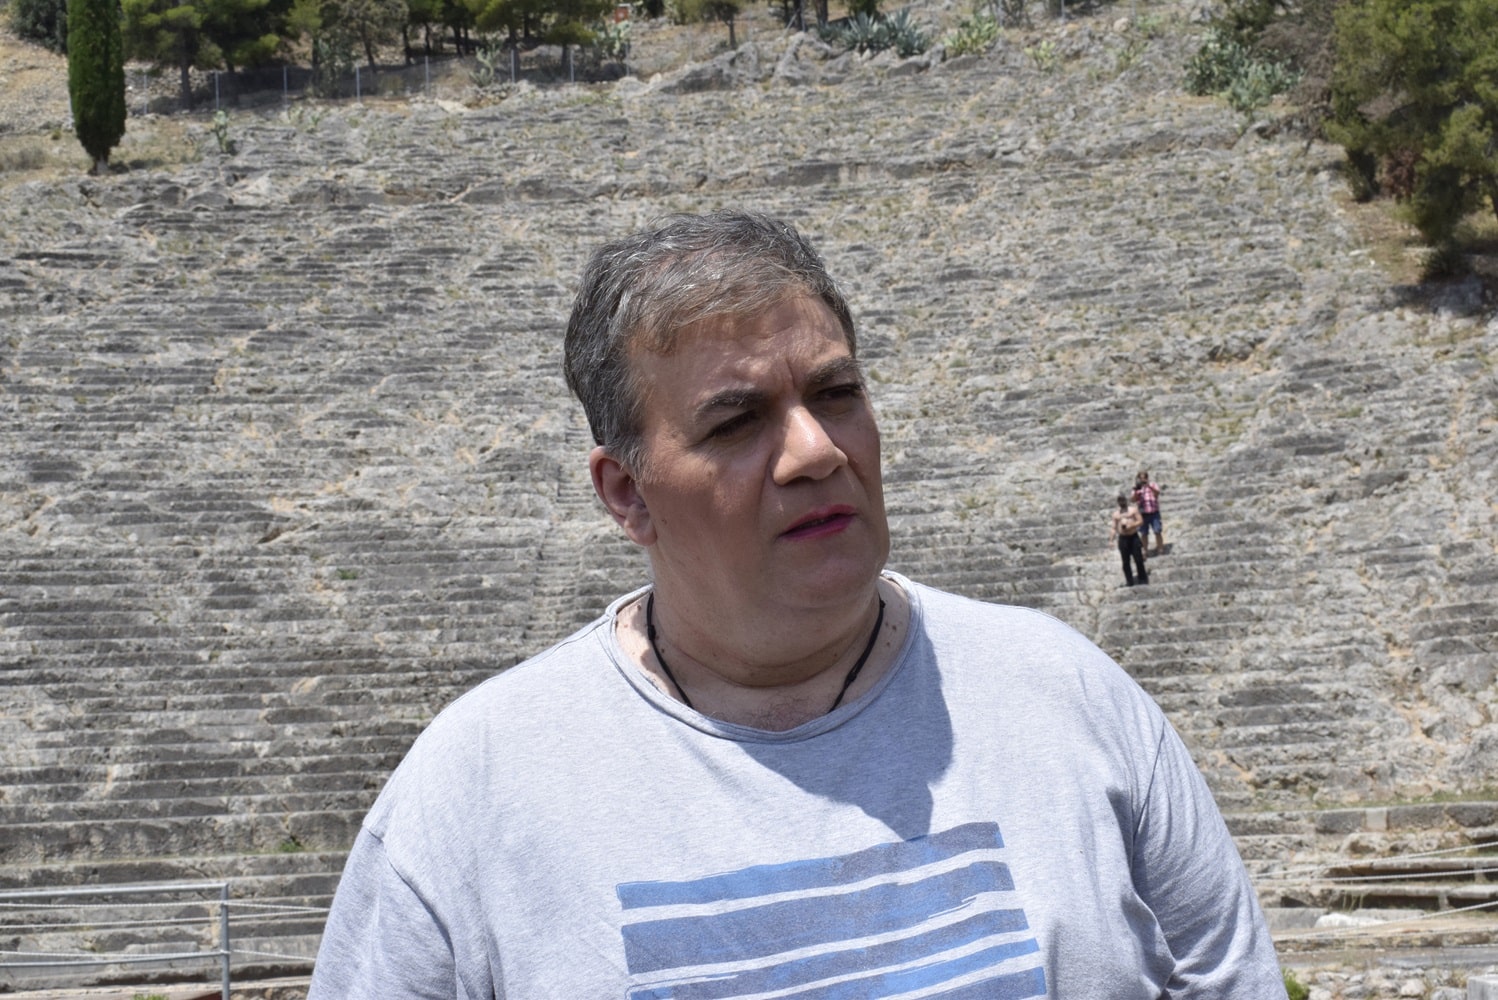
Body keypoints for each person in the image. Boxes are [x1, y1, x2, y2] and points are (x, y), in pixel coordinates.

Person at [308, 211, 1283, 999]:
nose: (817, 450)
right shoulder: (472, 792)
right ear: (627, 493)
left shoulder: (1071, 698)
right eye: (737, 421)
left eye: (836, 392)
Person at [1110, 491, 1150, 587]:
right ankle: (1129, 580)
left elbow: (1140, 521)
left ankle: (1142, 578)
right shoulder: (1116, 514)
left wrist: (1132, 525)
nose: (1122, 502)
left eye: (1123, 500)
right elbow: (1113, 528)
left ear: (1126, 500)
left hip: (1133, 537)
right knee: (1125, 561)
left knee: (1138, 558)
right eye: (1120, 500)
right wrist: (1111, 540)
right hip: (1123, 538)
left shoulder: (1133, 510)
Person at [1133, 470, 1166, 556]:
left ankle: (1160, 549)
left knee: (1157, 531)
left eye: (1144, 478)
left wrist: (1149, 486)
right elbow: (1133, 499)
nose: (1143, 480)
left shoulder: (1153, 485)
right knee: (1144, 533)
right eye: (1141, 478)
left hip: (1153, 512)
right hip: (1143, 514)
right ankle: (1145, 550)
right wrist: (1137, 490)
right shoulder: (1137, 488)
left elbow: (1157, 493)